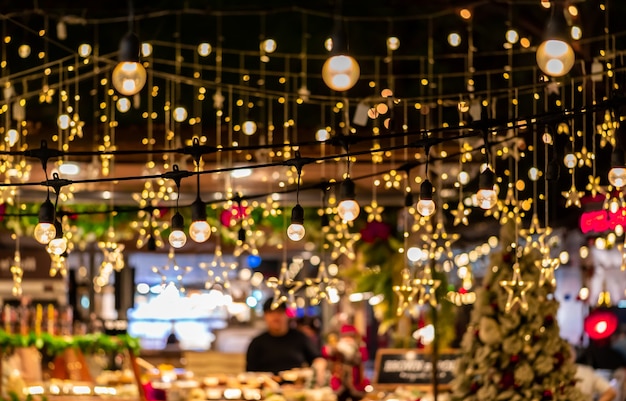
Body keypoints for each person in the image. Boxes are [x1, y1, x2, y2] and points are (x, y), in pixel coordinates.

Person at [246, 299, 327, 385]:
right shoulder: (257, 343)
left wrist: (319, 368)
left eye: (279, 312)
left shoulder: (299, 337)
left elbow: (317, 359)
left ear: (286, 314)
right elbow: (250, 374)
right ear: (265, 316)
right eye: (271, 313)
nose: (275, 317)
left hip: (297, 388)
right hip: (265, 390)